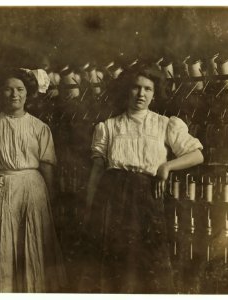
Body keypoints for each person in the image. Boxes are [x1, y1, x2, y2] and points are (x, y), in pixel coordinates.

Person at [82, 63, 204, 293]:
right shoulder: (108, 127)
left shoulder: (165, 124)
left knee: (148, 262)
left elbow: (197, 155)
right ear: (127, 90)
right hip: (112, 200)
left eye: (148, 89)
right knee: (112, 264)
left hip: (147, 199)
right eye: (136, 88)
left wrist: (167, 166)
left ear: (154, 93)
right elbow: (97, 170)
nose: (141, 94)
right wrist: (90, 206)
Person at [0, 69, 66, 292]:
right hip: (4, 189)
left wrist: (51, 196)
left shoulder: (39, 127)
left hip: (33, 189)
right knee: (4, 245)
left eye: (20, 89)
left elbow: (47, 166)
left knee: (33, 242)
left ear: (28, 93)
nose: (14, 94)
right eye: (8, 89)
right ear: (1, 93)